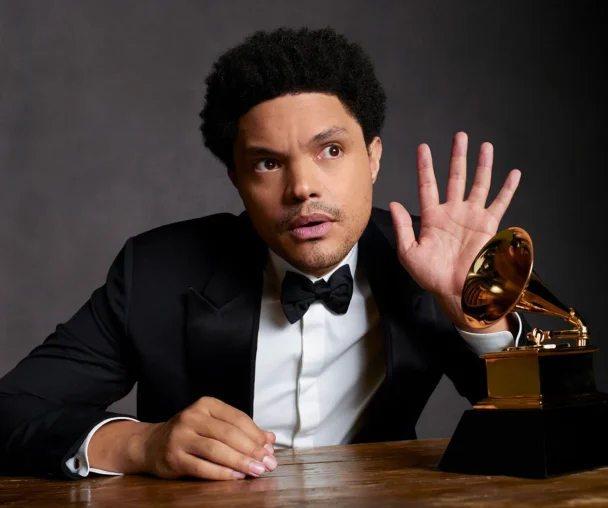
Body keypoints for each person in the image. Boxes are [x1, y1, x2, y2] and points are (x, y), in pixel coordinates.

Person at [0, 26, 527, 481]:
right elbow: (12, 409)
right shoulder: (159, 271)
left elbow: (550, 422)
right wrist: (143, 444)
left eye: (331, 150)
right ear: (237, 180)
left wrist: (478, 306)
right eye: (268, 164)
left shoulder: (431, 259)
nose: (302, 187)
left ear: (372, 157)